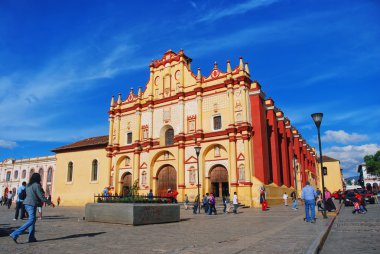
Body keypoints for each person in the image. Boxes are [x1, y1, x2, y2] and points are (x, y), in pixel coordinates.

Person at [9, 173, 55, 243]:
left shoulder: (28, 185)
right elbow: (41, 196)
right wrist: (49, 202)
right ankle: (15, 233)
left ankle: (31, 237)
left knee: (32, 220)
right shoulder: (37, 185)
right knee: (31, 220)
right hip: (31, 204)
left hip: (26, 204)